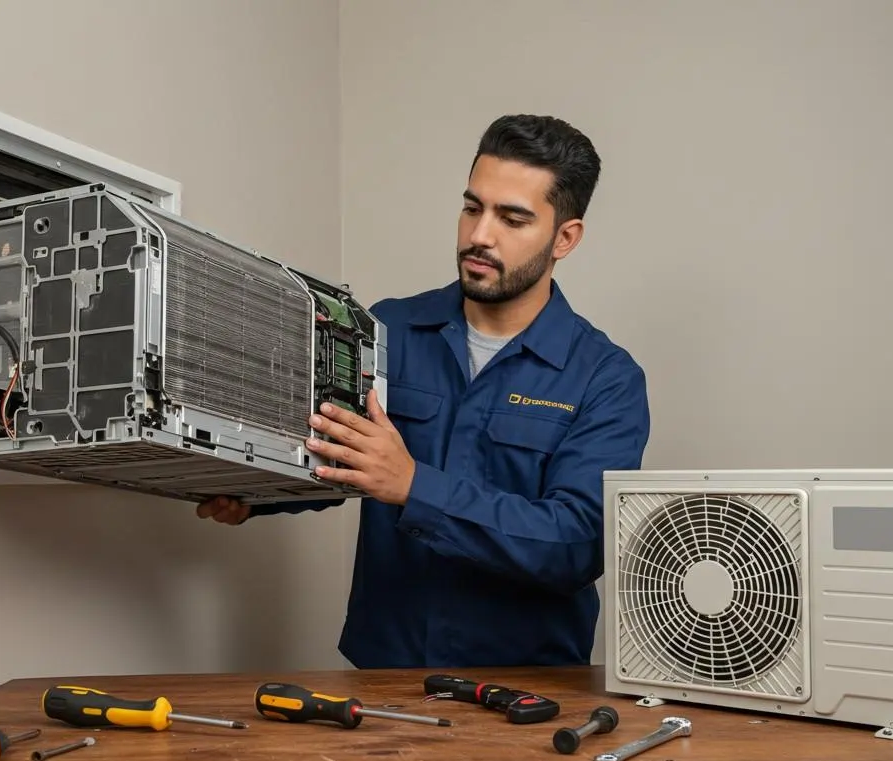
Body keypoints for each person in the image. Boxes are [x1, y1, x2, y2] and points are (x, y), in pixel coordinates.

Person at [197, 114, 650, 669]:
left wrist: (414, 486)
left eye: (512, 218)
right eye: (471, 207)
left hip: (529, 691)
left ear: (565, 238)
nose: (480, 235)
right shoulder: (388, 329)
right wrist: (253, 490)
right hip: (384, 676)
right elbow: (337, 449)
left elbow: (575, 545)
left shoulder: (606, 378)